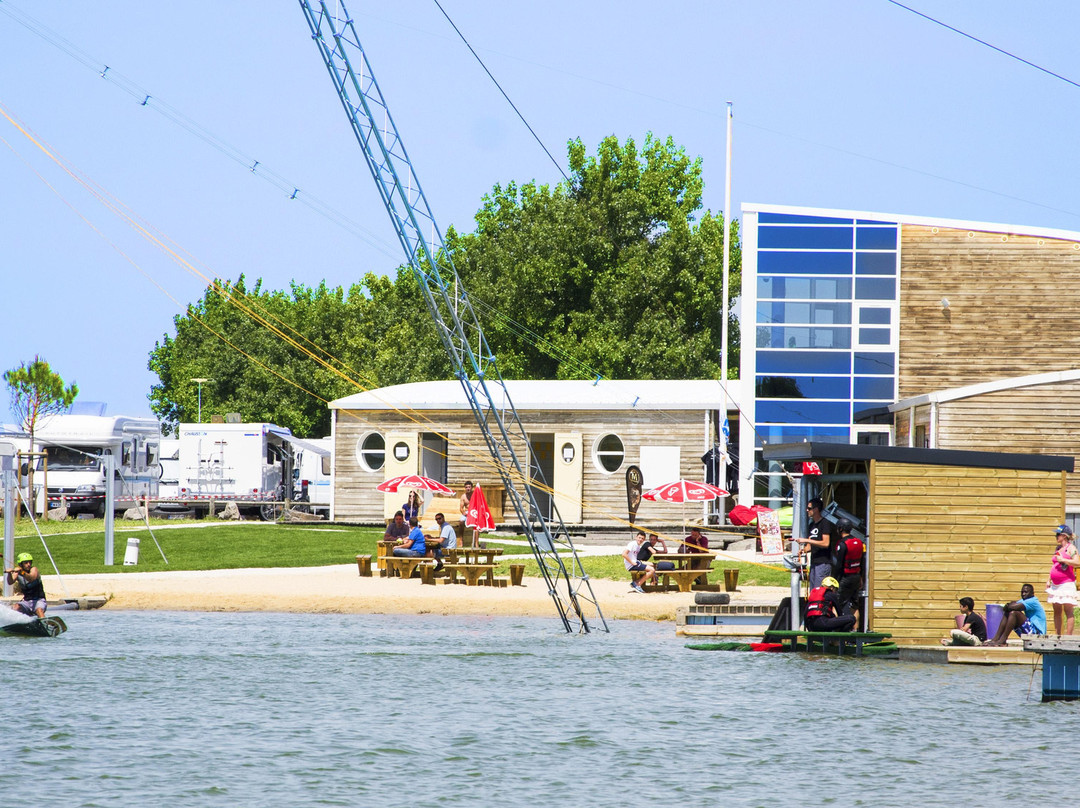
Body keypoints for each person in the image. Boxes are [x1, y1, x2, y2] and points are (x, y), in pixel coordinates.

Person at [795, 497, 834, 589]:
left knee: (819, 590)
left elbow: (825, 543)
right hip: (814, 563)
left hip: (823, 563)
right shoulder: (811, 525)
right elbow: (810, 546)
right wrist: (803, 550)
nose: (807, 510)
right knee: (813, 590)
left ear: (816, 509)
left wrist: (806, 540)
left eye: (809, 508)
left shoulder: (825, 523)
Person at [1046, 524, 1078, 637]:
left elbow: (1077, 562)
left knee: (1068, 610)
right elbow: (1054, 565)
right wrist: (1049, 579)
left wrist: (1064, 560)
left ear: (1064, 536)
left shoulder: (1071, 548)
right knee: (1057, 610)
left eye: (1058, 534)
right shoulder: (1058, 549)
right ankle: (1058, 635)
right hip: (1055, 584)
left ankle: (1068, 636)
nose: (1056, 537)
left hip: (1066, 583)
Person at [833, 519, 865, 621]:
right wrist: (861, 577)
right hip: (856, 576)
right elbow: (862, 562)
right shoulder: (859, 542)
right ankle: (855, 630)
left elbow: (839, 565)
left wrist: (835, 580)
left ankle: (835, 629)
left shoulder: (842, 544)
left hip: (845, 577)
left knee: (836, 604)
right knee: (854, 606)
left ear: (841, 529)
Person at [5, 552, 46, 618]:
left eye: (30, 562)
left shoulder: (34, 570)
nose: (28, 564)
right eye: (26, 563)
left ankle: (45, 624)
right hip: (26, 601)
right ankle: (16, 625)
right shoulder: (17, 573)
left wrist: (22, 572)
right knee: (16, 607)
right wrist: (9, 573)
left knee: (39, 610)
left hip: (39, 600)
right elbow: (10, 582)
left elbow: (31, 578)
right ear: (21, 564)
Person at [458, 481, 477, 547]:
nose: (468, 488)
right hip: (466, 512)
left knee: (477, 524)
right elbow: (461, 508)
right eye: (466, 487)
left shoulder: (475, 495)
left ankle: (476, 542)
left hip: (474, 512)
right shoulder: (463, 496)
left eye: (469, 487)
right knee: (461, 522)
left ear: (471, 487)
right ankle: (461, 540)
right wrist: (464, 513)